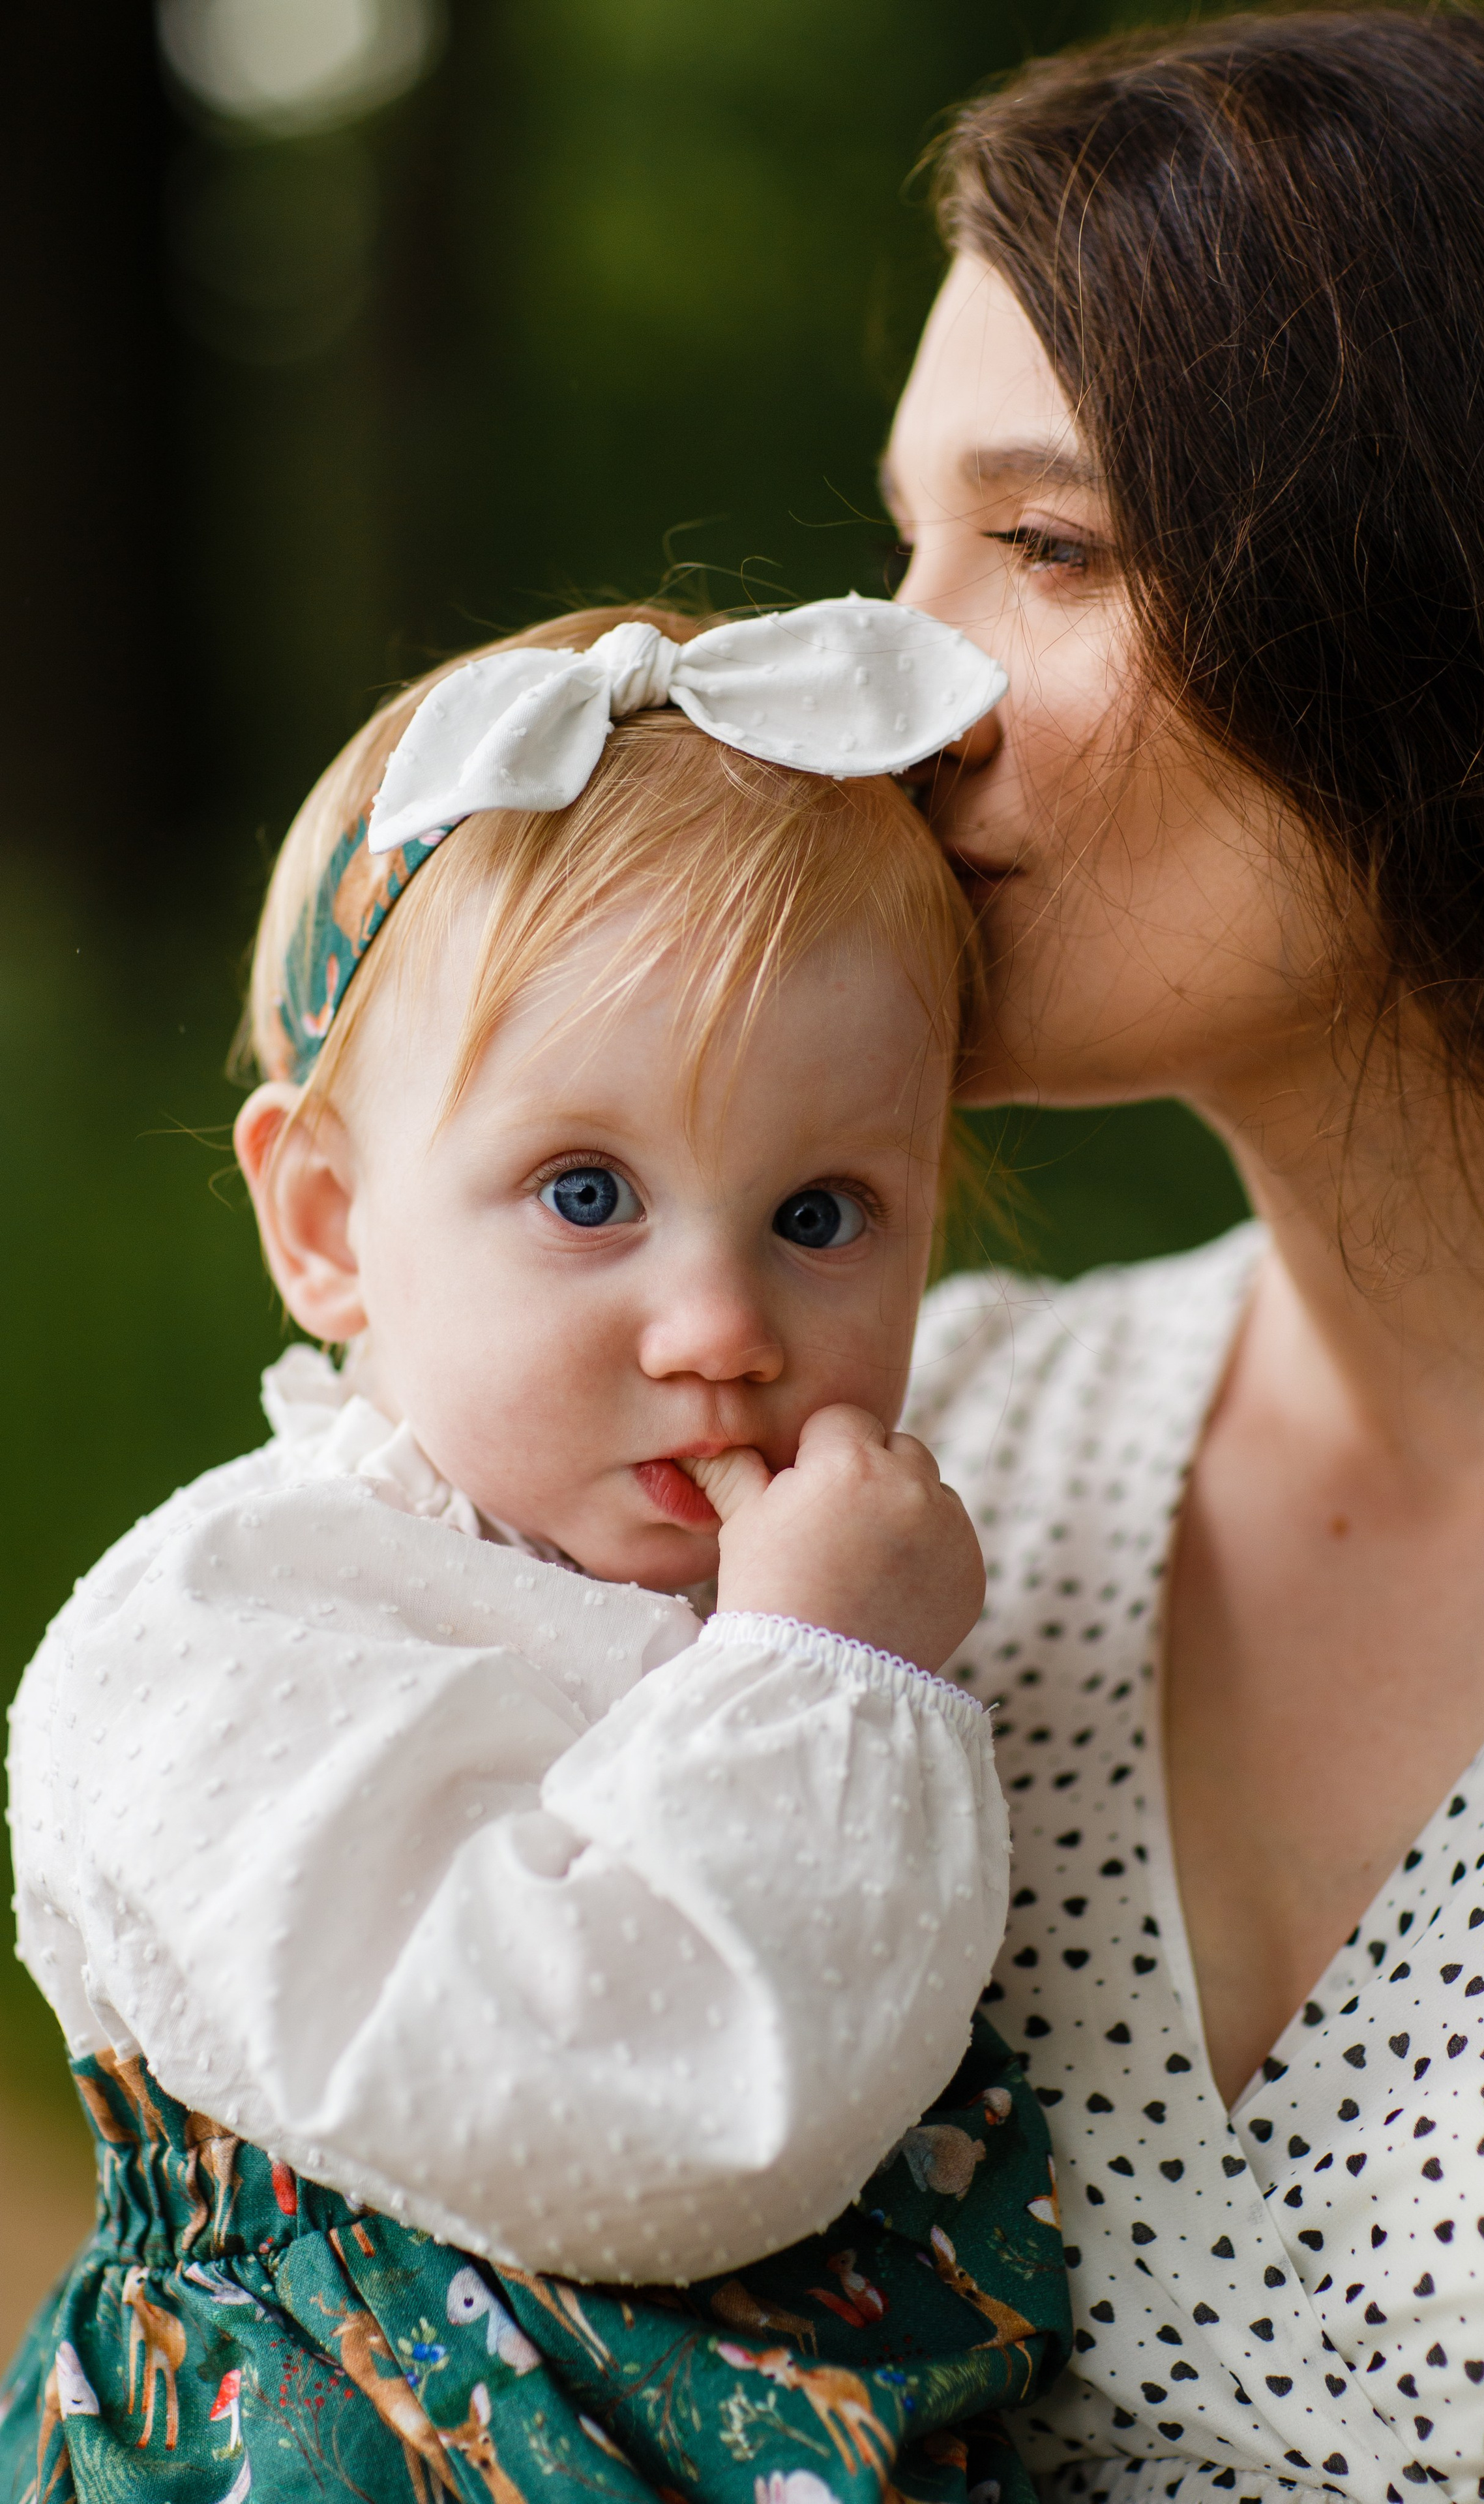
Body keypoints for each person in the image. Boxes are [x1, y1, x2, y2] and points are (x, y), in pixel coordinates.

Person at [1, 598, 1074, 2504]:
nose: (721, 1321)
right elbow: (643, 2095)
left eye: (823, 1211)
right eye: (589, 1195)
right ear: (328, 1224)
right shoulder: (235, 1631)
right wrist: (824, 1676)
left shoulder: (785, 1603)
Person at [883, 10, 1484, 2500]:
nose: (877, 685)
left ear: (1457, 583)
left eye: (1047, 545)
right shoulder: (911, 1472)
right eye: (900, 539)